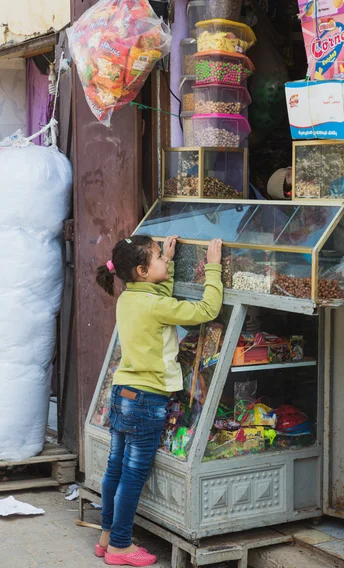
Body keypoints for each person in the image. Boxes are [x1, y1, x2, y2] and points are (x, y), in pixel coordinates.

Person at [95, 235, 223, 567]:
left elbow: (157, 296)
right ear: (141, 270)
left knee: (115, 468)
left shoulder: (128, 297)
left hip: (122, 394)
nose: (164, 261)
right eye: (158, 258)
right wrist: (212, 267)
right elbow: (207, 309)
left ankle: (107, 535)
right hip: (146, 400)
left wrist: (170, 259)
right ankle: (121, 546)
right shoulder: (155, 304)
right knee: (133, 474)